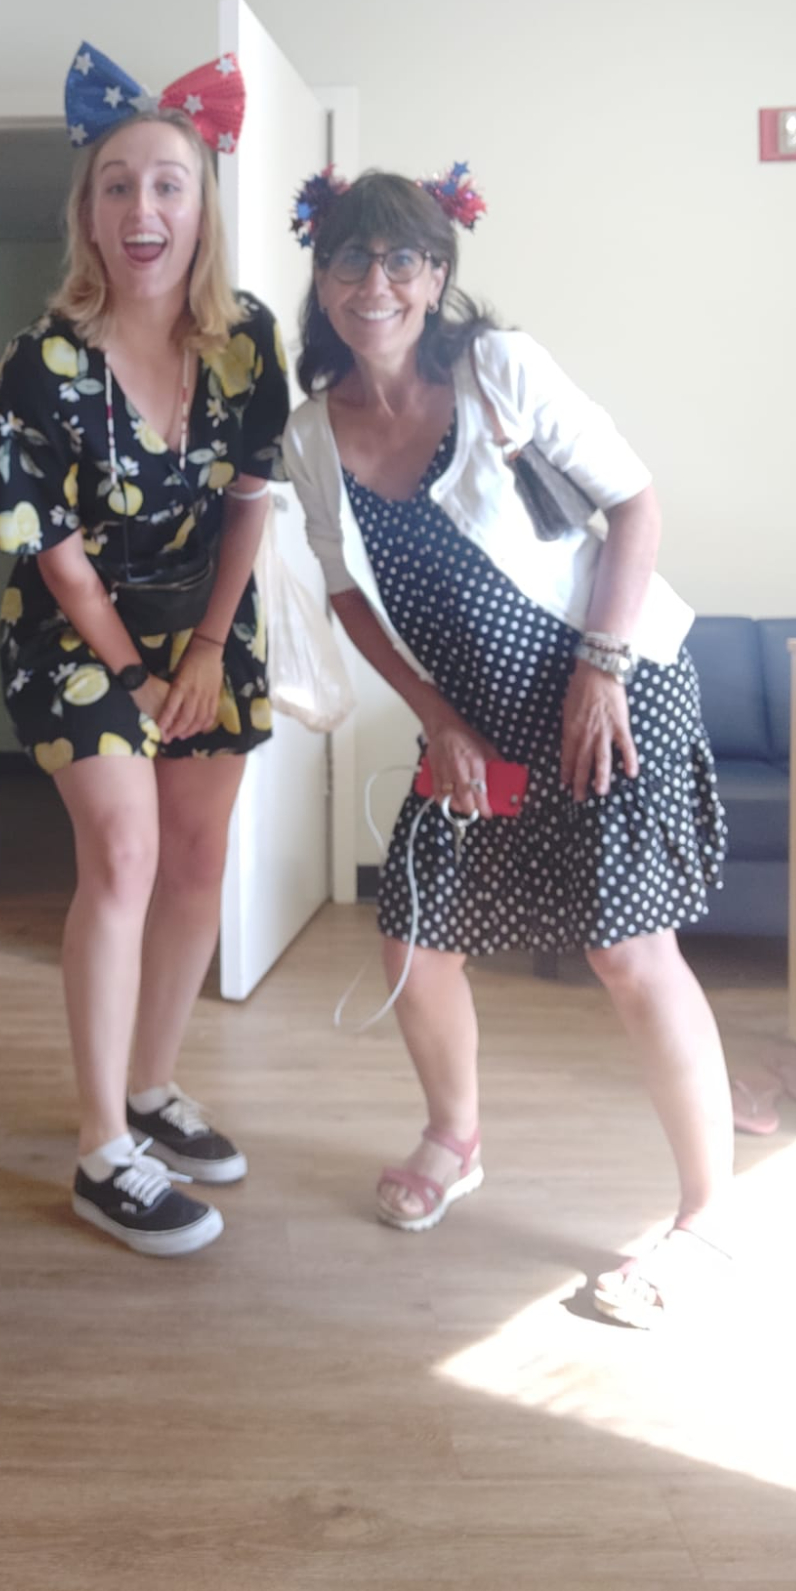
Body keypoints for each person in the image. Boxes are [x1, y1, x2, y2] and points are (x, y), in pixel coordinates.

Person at [283, 164, 731, 1327]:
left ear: (434, 276)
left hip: (612, 683)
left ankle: (703, 1221)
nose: (370, 283)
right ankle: (454, 1135)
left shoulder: (498, 369)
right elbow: (343, 592)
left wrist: (600, 662)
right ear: (319, 276)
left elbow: (634, 505)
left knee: (628, 955)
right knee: (411, 934)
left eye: (398, 260)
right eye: (346, 258)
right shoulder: (310, 435)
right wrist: (433, 717)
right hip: (471, 712)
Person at [0, 42, 288, 1257]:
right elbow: (50, 547)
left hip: (207, 614)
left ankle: (154, 1084)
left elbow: (252, 497)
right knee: (123, 847)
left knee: (197, 854)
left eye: (165, 183)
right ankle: (101, 1146)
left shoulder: (247, 340)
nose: (141, 208)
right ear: (87, 212)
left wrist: (208, 642)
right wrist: (137, 672)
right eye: (116, 184)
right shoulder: (40, 360)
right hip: (75, 627)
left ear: (198, 206)